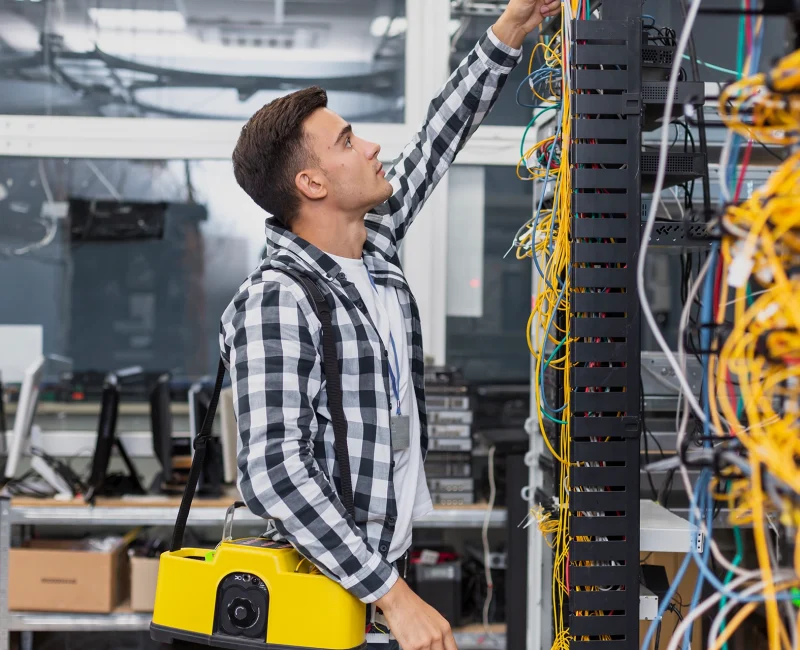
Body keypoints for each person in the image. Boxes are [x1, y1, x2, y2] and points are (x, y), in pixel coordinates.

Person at [219, 1, 560, 649]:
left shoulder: (369, 247)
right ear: (312, 182)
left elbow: (439, 135)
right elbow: (273, 472)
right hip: (320, 588)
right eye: (348, 140)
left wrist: (511, 29)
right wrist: (395, 597)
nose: (371, 145)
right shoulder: (278, 300)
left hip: (368, 568)